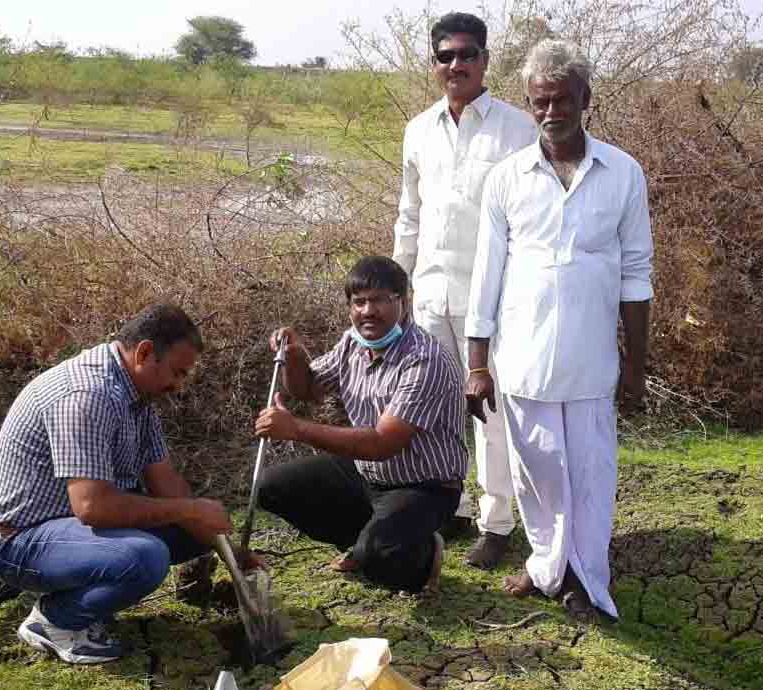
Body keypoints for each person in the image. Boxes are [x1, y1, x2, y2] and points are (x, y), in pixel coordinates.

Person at [464, 39, 654, 622]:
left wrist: (637, 370)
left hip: (594, 363)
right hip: (522, 361)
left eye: (563, 101)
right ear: (529, 102)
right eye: (541, 102)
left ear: (586, 100)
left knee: (592, 477)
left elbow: (636, 275)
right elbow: (486, 273)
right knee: (538, 474)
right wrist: (477, 364)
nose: (552, 113)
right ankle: (547, 565)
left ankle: (586, 581)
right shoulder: (507, 178)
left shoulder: (622, 172)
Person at [0, 303, 245, 663]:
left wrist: (230, 554)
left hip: (66, 529)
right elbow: (93, 507)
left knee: (194, 530)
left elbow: (166, 483)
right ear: (145, 353)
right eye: (177, 373)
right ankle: (55, 621)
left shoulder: (137, 396)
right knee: (146, 557)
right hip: (17, 540)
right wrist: (193, 509)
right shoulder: (87, 394)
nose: (178, 386)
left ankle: (82, 597)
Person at [393, 11, 537, 569]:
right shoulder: (418, 130)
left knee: (490, 413)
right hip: (429, 295)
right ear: (434, 63)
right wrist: (398, 288)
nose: (456, 64)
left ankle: (496, 522)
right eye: (445, 55)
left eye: (467, 54)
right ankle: (445, 506)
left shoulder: (518, 128)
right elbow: (410, 216)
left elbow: (530, 221)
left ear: (484, 60)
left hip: (492, 302)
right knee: (435, 408)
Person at [253, 256, 467, 595]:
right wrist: (295, 355)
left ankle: (425, 555)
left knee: (383, 560)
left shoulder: (425, 360)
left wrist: (295, 429)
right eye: (359, 302)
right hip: (367, 473)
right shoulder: (354, 342)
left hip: (424, 486)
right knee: (272, 486)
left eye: (381, 299)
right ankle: (365, 541)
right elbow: (307, 388)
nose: (369, 311)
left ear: (403, 300)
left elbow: (383, 443)